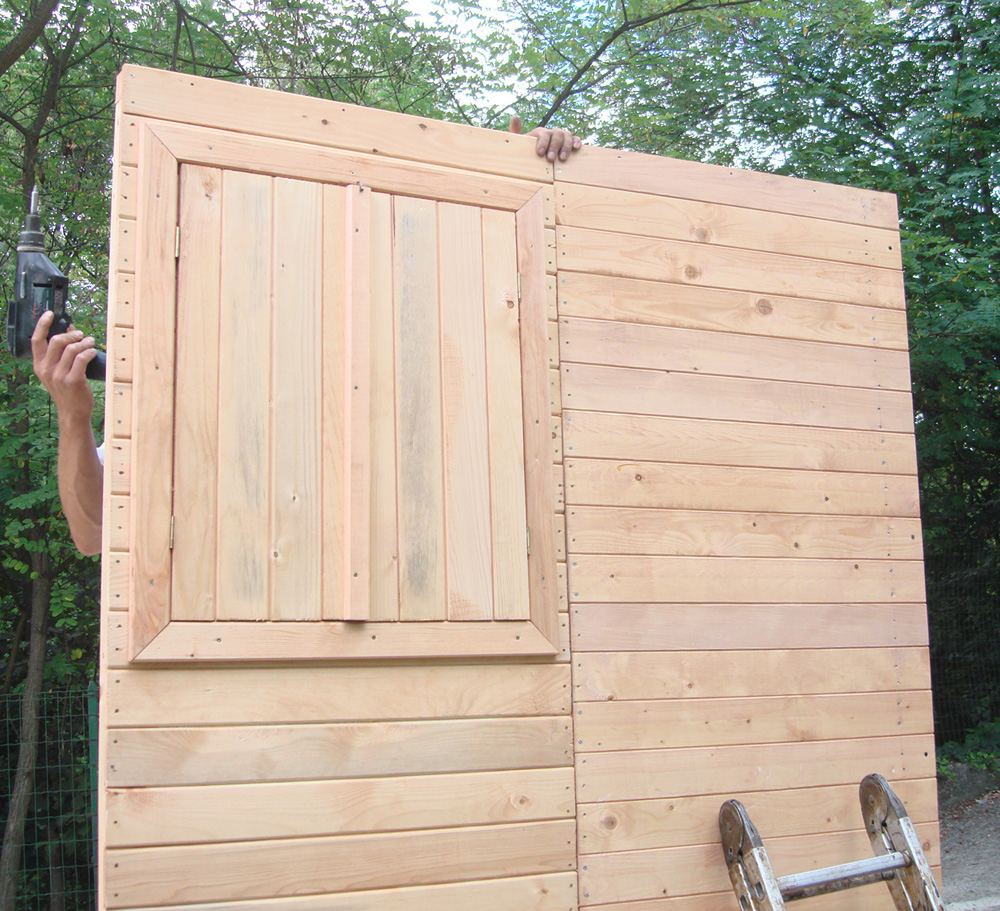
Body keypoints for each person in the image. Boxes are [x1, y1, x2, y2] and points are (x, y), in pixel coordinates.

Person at [31, 123, 584, 556]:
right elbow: (92, 534)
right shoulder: (188, 383)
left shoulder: (406, 367)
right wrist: (74, 416)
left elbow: (504, 329)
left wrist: (518, 184)